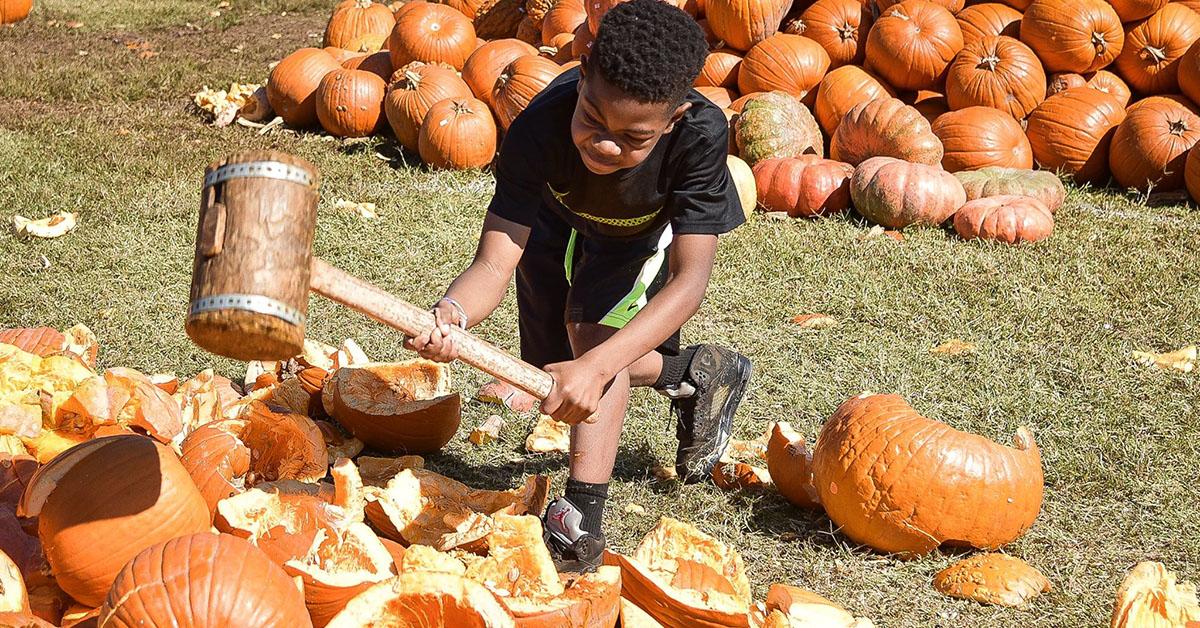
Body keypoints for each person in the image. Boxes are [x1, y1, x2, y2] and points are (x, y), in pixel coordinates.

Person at [406, 0, 751, 573]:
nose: (605, 144)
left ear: (673, 118)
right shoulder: (538, 125)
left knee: (594, 351)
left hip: (635, 237)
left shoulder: (698, 135)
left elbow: (689, 283)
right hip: (554, 219)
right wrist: (452, 315)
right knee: (551, 372)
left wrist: (598, 364)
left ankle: (582, 515)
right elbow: (493, 264)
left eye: (633, 137)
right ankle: (693, 372)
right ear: (583, 72)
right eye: (591, 118)